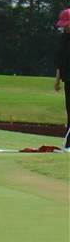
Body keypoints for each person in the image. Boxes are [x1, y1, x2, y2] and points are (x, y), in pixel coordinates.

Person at [55, 8, 70, 148]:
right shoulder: (63, 38)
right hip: (68, 80)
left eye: (66, 24)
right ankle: (69, 144)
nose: (64, 27)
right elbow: (60, 61)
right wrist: (57, 80)